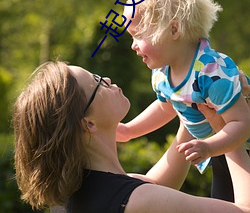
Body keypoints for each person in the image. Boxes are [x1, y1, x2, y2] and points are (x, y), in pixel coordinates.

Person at [13, 61, 250, 213]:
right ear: (88, 123)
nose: (106, 79)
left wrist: (190, 100)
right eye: (97, 83)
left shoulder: (73, 197)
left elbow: (156, 184)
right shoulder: (138, 201)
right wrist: (226, 128)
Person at [118, 0, 250, 202]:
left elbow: (242, 123)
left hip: (239, 148)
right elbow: (166, 108)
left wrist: (209, 146)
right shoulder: (162, 73)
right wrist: (130, 130)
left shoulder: (211, 72)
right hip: (220, 152)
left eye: (138, 35)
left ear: (173, 30)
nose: (133, 46)